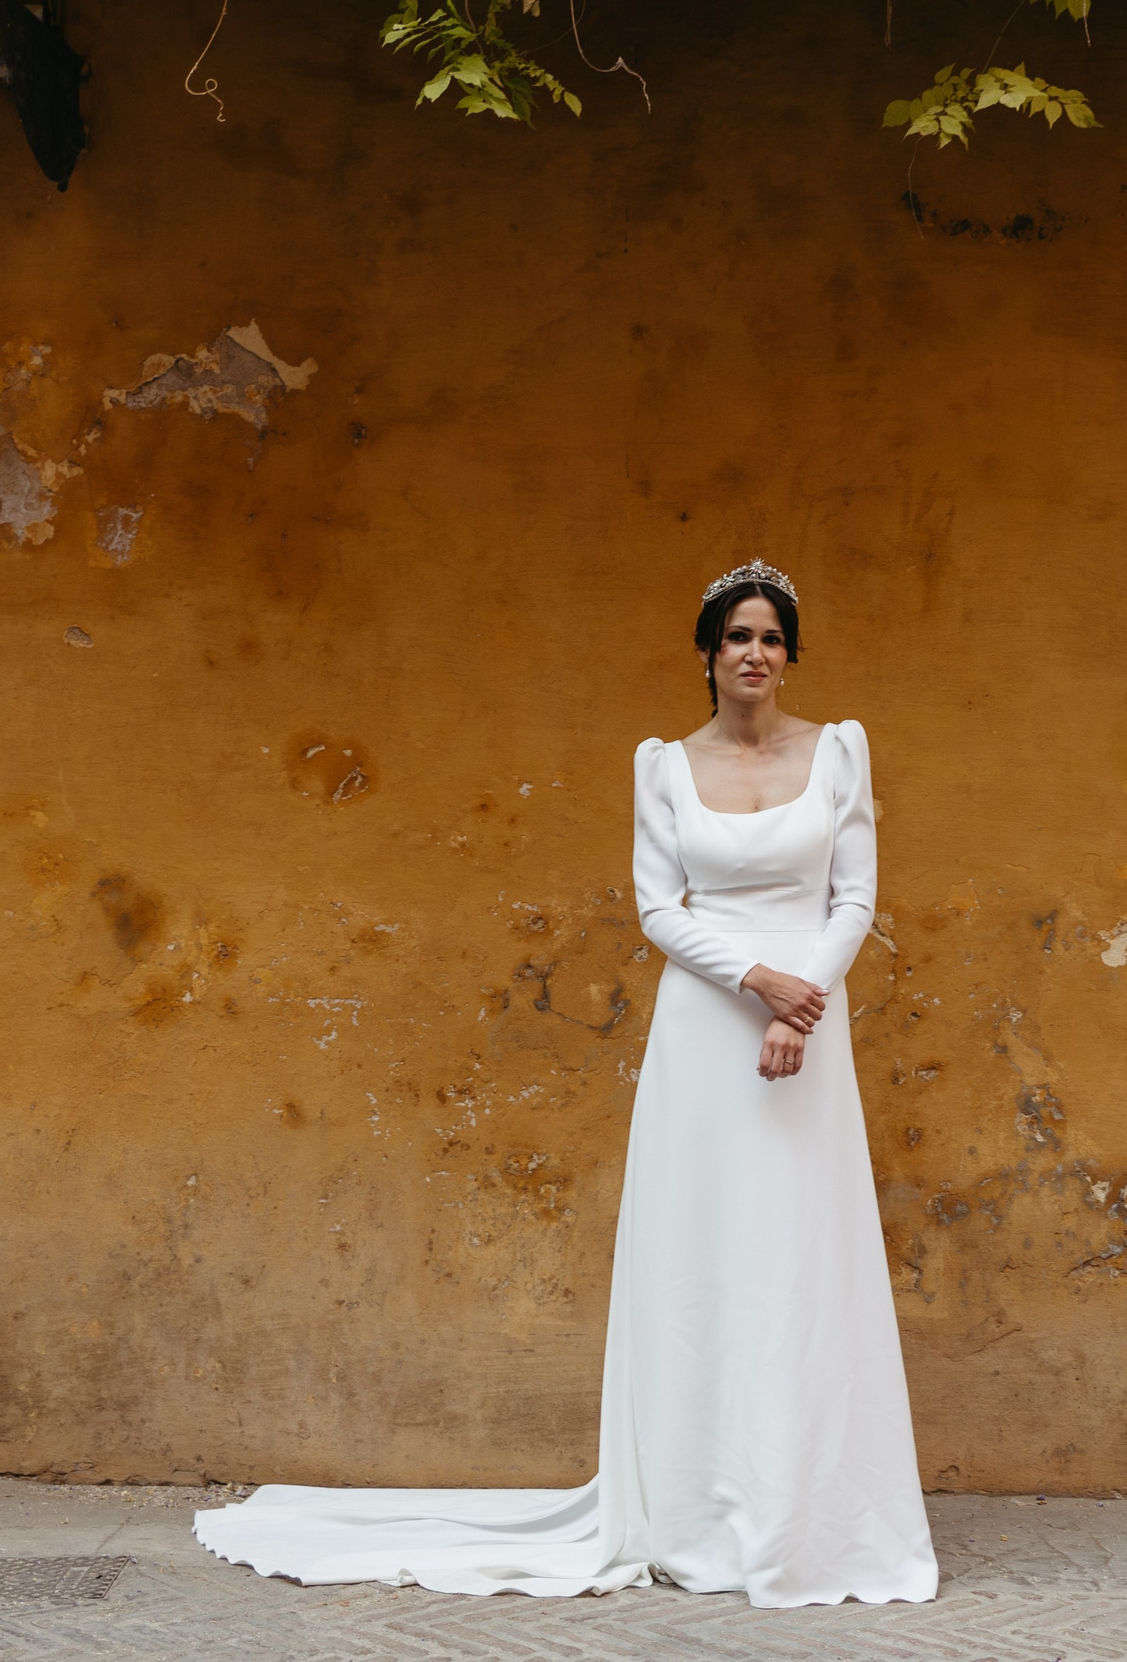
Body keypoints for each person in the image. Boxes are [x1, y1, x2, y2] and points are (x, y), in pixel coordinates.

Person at [194, 559, 939, 1608]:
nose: (755, 654)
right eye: (736, 638)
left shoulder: (840, 753)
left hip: (806, 1028)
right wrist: (754, 978)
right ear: (707, 654)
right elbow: (656, 908)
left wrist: (798, 999)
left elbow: (853, 899)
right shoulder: (664, 767)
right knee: (704, 1251)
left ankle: (804, 1508)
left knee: (800, 1254)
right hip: (707, 1025)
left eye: (771, 637)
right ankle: (691, 1504)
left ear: (791, 653)